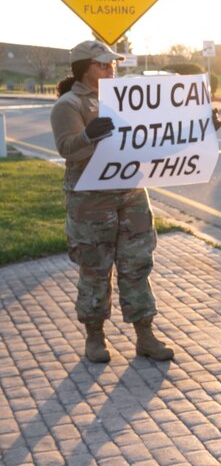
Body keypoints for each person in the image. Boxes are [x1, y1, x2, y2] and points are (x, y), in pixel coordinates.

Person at [50, 39, 175, 363]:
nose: (110, 69)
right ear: (84, 69)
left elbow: (158, 135)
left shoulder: (129, 100)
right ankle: (95, 337)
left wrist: (202, 128)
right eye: (102, 64)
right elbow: (67, 148)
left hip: (131, 193)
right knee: (95, 268)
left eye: (112, 64)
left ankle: (144, 335)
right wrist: (90, 135)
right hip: (92, 201)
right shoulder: (69, 104)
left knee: (137, 265)